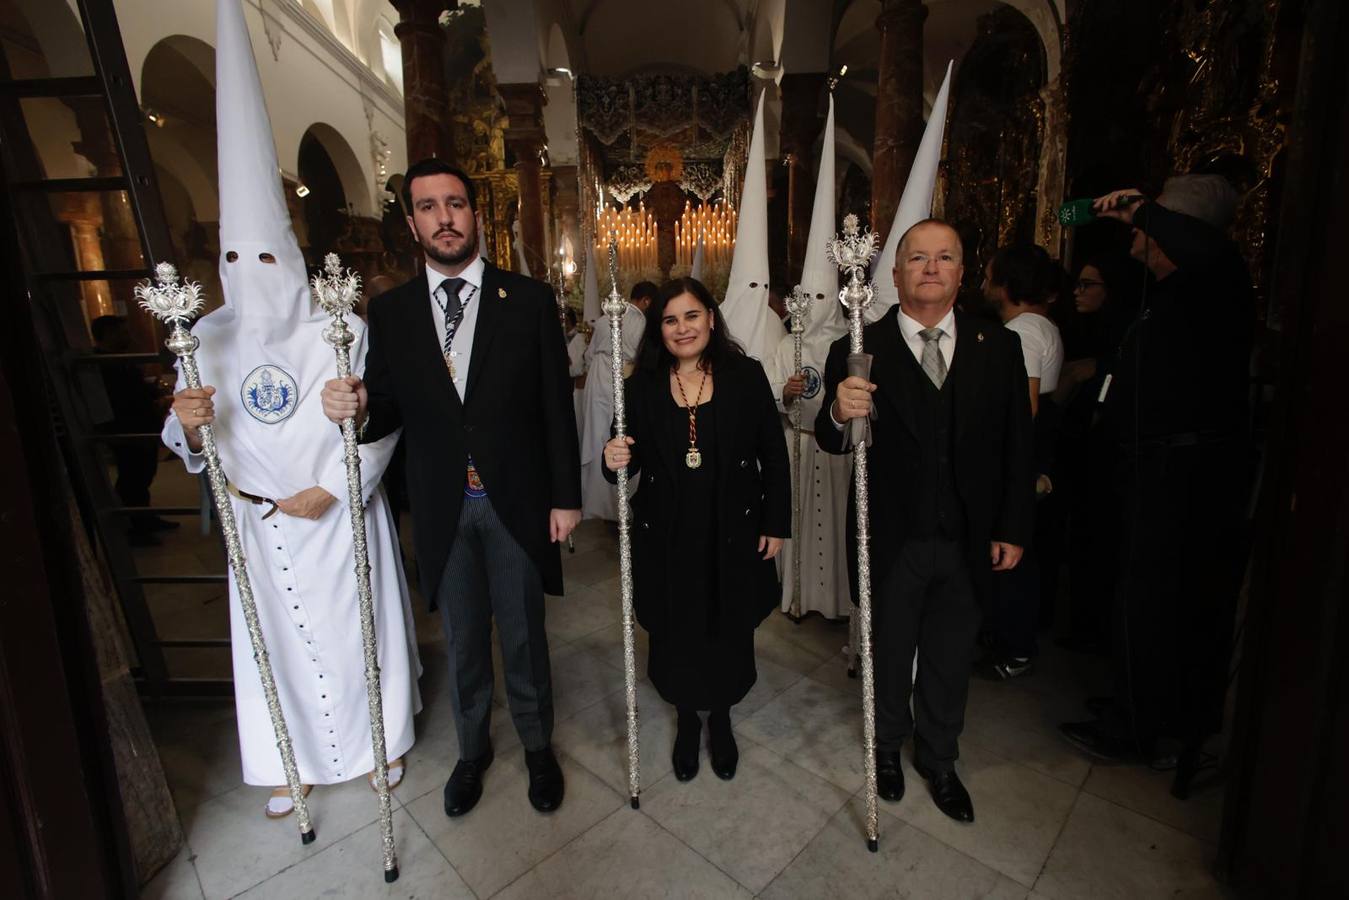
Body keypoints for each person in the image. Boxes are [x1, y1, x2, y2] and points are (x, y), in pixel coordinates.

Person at [164, 0, 419, 820]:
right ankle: (289, 759)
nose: (253, 269)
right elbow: (185, 441)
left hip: (337, 512)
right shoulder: (205, 335)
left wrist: (339, 485)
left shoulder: (339, 327)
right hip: (259, 524)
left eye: (267, 254)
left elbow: (384, 422)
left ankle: (378, 746)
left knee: (355, 634)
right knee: (270, 643)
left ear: (294, 254)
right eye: (237, 257)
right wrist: (187, 420)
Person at [321, 157, 581, 818]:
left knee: (523, 635)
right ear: (412, 222)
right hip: (441, 506)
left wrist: (565, 497)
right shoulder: (393, 312)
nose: (444, 218)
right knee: (464, 637)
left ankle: (535, 746)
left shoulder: (525, 300)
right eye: (429, 207)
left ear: (474, 214)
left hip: (515, 502)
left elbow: (555, 404)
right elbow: (386, 409)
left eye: (455, 204)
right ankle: (472, 753)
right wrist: (352, 406)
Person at [817, 218, 1034, 823]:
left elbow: (1019, 445)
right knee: (889, 649)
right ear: (894, 273)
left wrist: (1013, 527)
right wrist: (839, 410)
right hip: (892, 536)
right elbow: (832, 440)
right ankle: (886, 747)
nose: (931, 268)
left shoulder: (1000, 347)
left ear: (964, 273)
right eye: (918, 258)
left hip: (967, 536)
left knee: (950, 649)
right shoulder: (860, 345)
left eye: (944, 258)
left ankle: (939, 757)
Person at [1060, 178, 1252, 780]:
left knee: (1155, 600)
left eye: (1153, 221)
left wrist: (1141, 207)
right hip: (1148, 465)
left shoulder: (1216, 279)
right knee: (1135, 595)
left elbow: (1207, 248)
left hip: (1183, 472)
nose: (1138, 232)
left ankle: (1137, 726)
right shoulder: (1164, 293)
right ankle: (1132, 702)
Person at [602, 277, 790, 782]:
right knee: (677, 627)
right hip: (667, 532)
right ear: (658, 329)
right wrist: (612, 455)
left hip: (732, 527)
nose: (682, 328)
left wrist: (776, 522)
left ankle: (722, 716)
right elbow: (621, 457)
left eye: (691, 315)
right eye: (670, 319)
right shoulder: (638, 385)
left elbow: (773, 451)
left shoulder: (745, 376)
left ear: (710, 317)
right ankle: (687, 718)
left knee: (726, 624)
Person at [977, 244, 1066, 679]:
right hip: (1034, 450)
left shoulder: (1024, 332)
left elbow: (1025, 407)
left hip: (1020, 453)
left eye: (989, 277)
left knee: (1009, 550)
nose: (983, 286)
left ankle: (1013, 647)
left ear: (1007, 285)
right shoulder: (1037, 326)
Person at [1052, 254, 1141, 653]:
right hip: (1075, 454)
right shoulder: (1079, 332)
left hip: (1107, 460)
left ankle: (1094, 633)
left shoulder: (1125, 341)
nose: (1079, 292)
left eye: (1089, 285)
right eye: (1079, 283)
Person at [92, 315, 175, 546]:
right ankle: (135, 526)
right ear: (108, 334)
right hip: (126, 428)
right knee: (132, 477)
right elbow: (121, 398)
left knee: (143, 474)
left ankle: (145, 519)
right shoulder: (103, 364)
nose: (128, 336)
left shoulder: (121, 360)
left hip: (140, 424)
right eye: (122, 332)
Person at [579, 281, 655, 521]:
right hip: (621, 375)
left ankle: (595, 502)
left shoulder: (604, 319)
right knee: (619, 435)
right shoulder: (640, 321)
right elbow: (639, 354)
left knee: (598, 436)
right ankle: (616, 507)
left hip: (596, 378)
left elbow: (589, 354)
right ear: (645, 301)